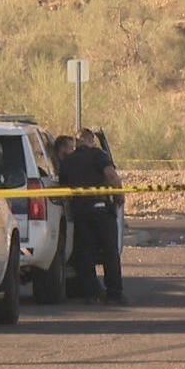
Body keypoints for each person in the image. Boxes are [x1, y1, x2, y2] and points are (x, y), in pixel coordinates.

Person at [57, 130, 126, 305]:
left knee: (85, 254)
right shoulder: (99, 155)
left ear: (77, 142)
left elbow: (63, 188)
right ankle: (114, 294)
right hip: (102, 210)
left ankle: (91, 294)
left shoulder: (67, 162)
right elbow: (111, 176)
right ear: (91, 140)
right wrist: (119, 196)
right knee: (110, 252)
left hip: (80, 211)